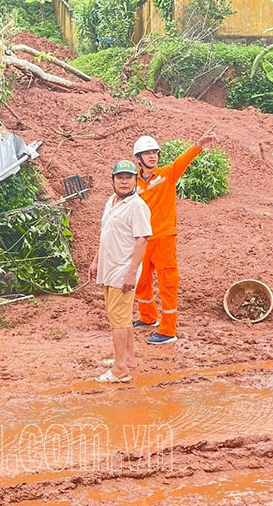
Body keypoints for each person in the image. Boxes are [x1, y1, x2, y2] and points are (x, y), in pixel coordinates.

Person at [132, 131, 219, 345]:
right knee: (141, 282)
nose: (152, 156)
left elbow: (183, 161)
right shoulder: (133, 184)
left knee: (167, 284)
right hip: (142, 240)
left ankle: (168, 330)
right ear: (138, 159)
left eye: (155, 152)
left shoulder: (167, 174)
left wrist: (198, 145)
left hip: (164, 238)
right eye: (147, 153)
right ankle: (148, 317)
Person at [88, 160, 152, 383]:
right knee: (122, 318)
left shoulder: (137, 206)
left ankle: (119, 369)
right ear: (113, 180)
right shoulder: (111, 202)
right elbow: (105, 233)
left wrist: (131, 273)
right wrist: (96, 261)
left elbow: (142, 240)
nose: (124, 181)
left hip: (122, 271)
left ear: (136, 180)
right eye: (120, 177)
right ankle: (128, 358)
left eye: (129, 177)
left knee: (117, 320)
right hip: (109, 268)